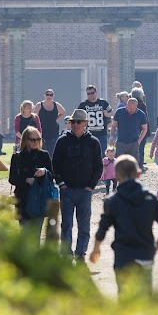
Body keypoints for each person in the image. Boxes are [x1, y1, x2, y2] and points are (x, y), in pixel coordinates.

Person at [90, 155, 158, 296]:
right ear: (138, 174)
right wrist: (154, 249)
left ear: (117, 176)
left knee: (125, 294)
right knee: (145, 295)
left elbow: (102, 229)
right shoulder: (151, 198)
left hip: (123, 255)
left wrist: (96, 249)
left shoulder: (112, 201)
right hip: (145, 253)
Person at [53, 109, 103, 262]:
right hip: (67, 190)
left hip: (85, 190)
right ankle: (66, 252)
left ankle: (81, 252)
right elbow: (55, 163)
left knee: (84, 224)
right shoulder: (62, 141)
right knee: (66, 223)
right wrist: (61, 183)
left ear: (85, 123)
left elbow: (98, 166)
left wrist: (91, 186)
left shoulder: (93, 142)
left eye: (78, 122)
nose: (75, 124)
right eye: (73, 122)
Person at [13, 126, 54, 243]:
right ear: (25, 140)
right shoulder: (17, 156)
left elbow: (52, 176)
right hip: (23, 199)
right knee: (25, 233)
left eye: (38, 139)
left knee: (36, 233)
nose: (36, 142)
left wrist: (44, 172)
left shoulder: (44, 155)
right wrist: (25, 180)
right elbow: (12, 178)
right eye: (32, 139)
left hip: (39, 198)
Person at [78, 84, 114, 156]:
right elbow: (77, 117)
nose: (91, 95)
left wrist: (107, 114)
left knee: (102, 154)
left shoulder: (103, 102)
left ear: (96, 92)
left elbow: (112, 112)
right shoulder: (83, 105)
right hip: (88, 134)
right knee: (89, 154)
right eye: (88, 94)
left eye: (92, 93)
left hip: (102, 133)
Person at [109, 98, 148, 163]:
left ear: (136, 106)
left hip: (134, 143)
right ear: (127, 105)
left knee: (133, 166)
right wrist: (111, 138)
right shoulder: (119, 112)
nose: (131, 110)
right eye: (130, 108)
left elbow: (145, 129)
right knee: (119, 165)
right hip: (121, 143)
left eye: (134, 108)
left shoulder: (141, 114)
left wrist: (138, 141)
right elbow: (113, 126)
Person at [33, 88, 66, 158]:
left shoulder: (56, 105)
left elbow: (63, 112)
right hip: (42, 132)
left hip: (53, 132)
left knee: (52, 152)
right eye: (47, 94)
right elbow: (34, 116)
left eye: (51, 95)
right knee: (42, 151)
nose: (49, 96)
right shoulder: (39, 105)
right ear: (44, 95)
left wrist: (56, 118)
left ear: (53, 96)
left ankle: (52, 167)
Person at [130, 85, 150, 172]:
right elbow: (145, 119)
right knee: (141, 148)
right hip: (141, 129)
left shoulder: (129, 104)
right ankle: (140, 165)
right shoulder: (142, 104)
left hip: (132, 129)